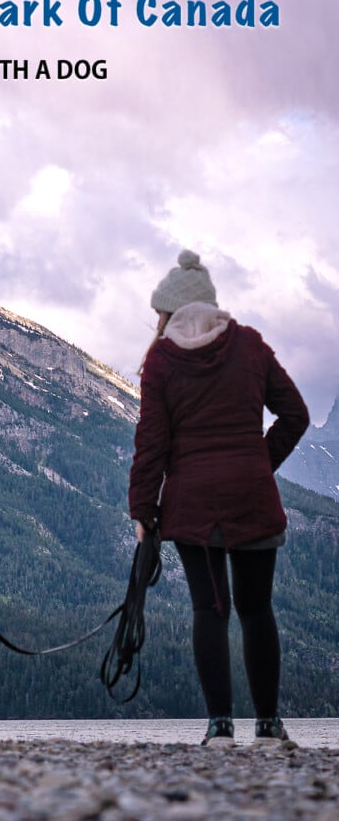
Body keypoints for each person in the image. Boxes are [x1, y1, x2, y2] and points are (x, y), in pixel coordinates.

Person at [128, 249, 309, 746]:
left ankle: (220, 727)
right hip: (253, 500)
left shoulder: (161, 361)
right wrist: (257, 465)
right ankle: (270, 727)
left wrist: (144, 510)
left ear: (168, 312)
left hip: (193, 506)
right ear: (210, 304)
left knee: (209, 610)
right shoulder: (249, 346)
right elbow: (296, 415)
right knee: (257, 610)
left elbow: (152, 443)